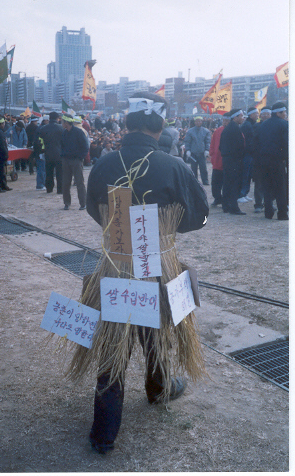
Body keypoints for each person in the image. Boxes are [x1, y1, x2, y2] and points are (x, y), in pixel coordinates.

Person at [77, 92, 209, 454]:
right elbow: (199, 215)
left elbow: (93, 208)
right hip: (157, 262)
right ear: (161, 125)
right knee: (157, 327)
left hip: (116, 264)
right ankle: (159, 387)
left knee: (112, 340)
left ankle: (104, 432)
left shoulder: (103, 165)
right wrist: (166, 231)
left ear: (126, 123)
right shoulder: (173, 165)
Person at [256, 102, 288, 220]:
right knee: (280, 187)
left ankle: (268, 213)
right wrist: (285, 159)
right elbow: (286, 144)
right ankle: (282, 213)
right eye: (284, 112)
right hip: (277, 160)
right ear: (279, 113)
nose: (285, 114)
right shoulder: (284, 124)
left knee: (267, 187)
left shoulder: (263, 125)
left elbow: (257, 143)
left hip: (264, 160)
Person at [219, 109, 246, 215]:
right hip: (234, 160)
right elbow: (240, 146)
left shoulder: (227, 128)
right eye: (241, 116)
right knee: (234, 183)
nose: (243, 118)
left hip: (227, 159)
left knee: (227, 183)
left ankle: (226, 205)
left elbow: (221, 146)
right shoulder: (235, 129)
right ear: (235, 117)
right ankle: (234, 207)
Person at [60, 114, 89, 210]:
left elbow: (85, 147)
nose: (61, 123)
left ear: (66, 122)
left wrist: (80, 158)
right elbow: (62, 146)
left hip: (76, 161)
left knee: (79, 183)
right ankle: (66, 203)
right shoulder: (64, 133)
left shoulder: (78, 132)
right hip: (66, 161)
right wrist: (63, 156)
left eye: (62, 121)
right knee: (65, 183)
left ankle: (83, 203)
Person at [237, 107, 259, 203]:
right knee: (245, 174)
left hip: (250, 153)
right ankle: (241, 194)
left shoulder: (252, 124)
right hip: (247, 153)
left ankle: (245, 193)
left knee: (249, 174)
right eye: (256, 114)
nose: (257, 116)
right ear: (251, 115)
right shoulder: (247, 125)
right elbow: (246, 141)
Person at [252, 106, 271, 213]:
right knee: (259, 183)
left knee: (270, 182)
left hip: (270, 159)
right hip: (259, 159)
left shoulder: (274, 126)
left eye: (267, 114)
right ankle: (258, 204)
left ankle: (269, 203)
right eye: (263, 114)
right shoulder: (257, 126)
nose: (264, 116)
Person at [38, 111, 63, 194]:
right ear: (57, 118)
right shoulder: (61, 128)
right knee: (60, 173)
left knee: (49, 172)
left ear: (49, 118)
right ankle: (60, 189)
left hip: (48, 153)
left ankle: (49, 189)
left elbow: (40, 142)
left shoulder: (43, 128)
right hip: (59, 154)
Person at [209, 113, 230, 206]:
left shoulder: (234, 131)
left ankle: (226, 200)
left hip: (227, 162)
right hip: (217, 161)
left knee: (226, 183)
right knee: (215, 183)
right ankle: (217, 198)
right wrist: (212, 156)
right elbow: (212, 145)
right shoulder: (217, 131)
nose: (225, 122)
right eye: (224, 120)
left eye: (227, 120)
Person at [184, 116, 211, 185]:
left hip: (202, 153)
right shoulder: (190, 131)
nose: (198, 122)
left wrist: (207, 150)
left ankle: (205, 181)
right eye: (197, 121)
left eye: (200, 121)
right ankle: (194, 182)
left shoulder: (206, 131)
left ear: (202, 122)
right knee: (193, 168)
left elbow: (207, 141)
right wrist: (188, 150)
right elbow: (187, 142)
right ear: (194, 122)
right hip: (193, 153)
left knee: (203, 168)